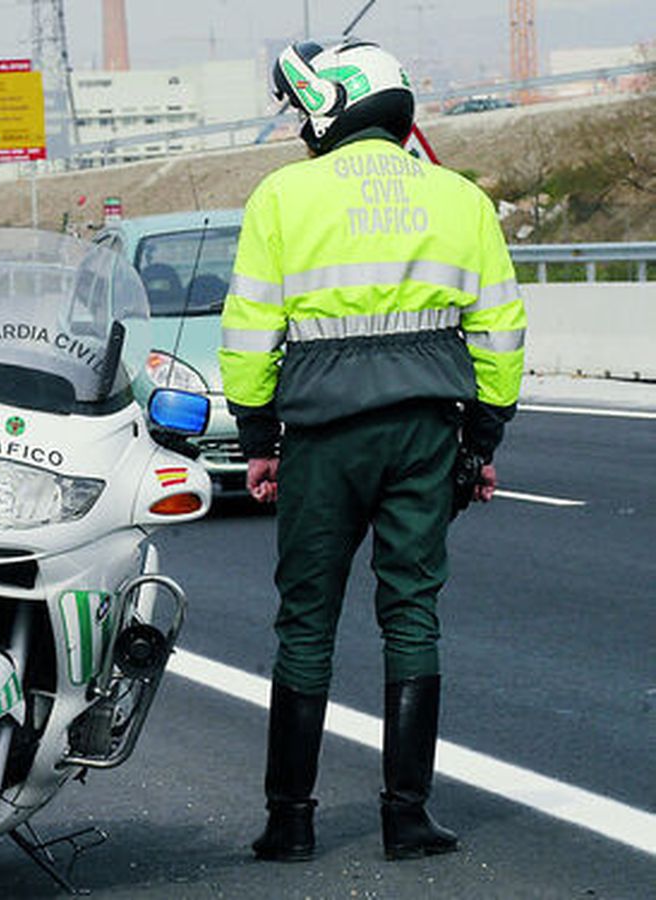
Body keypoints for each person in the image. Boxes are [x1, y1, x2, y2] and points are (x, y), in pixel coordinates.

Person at [218, 39, 526, 862]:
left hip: (322, 438)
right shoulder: (459, 198)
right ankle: (407, 817)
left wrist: (258, 441)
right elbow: (499, 328)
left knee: (306, 625)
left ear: (332, 106)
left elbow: (250, 333)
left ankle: (290, 823)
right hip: (428, 434)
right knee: (413, 615)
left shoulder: (283, 196)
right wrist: (483, 438)